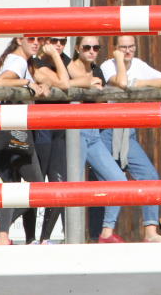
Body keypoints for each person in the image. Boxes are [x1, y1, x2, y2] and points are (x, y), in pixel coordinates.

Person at [99, 35, 161, 243]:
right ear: (114, 49)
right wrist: (119, 61)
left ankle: (151, 232)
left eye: (131, 46)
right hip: (107, 130)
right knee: (112, 181)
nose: (127, 50)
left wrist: (141, 82)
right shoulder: (107, 65)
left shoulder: (138, 65)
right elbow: (121, 83)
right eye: (122, 47)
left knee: (149, 175)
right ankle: (105, 233)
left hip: (127, 131)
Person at [0, 37, 58, 245]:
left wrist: (42, 84)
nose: (36, 43)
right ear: (19, 39)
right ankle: (2, 229)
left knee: (11, 184)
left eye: (39, 39)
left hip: (7, 129)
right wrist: (28, 82)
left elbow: (53, 80)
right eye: (31, 38)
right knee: (37, 186)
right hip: (16, 132)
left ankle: (2, 237)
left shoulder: (19, 60)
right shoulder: (18, 62)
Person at [31, 36, 100, 244]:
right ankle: (21, 233)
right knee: (36, 185)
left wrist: (60, 68)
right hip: (42, 128)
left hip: (60, 128)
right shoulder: (36, 62)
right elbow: (64, 82)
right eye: (54, 40)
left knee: (59, 185)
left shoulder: (64, 59)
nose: (59, 45)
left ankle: (44, 238)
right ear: (44, 41)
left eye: (63, 40)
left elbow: (88, 79)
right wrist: (61, 75)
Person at [67, 36, 130, 244]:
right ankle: (69, 238)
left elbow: (122, 83)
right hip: (75, 132)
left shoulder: (97, 70)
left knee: (119, 181)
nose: (92, 50)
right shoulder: (68, 67)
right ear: (77, 48)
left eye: (96, 47)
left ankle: (106, 233)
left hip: (94, 133)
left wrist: (119, 59)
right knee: (72, 186)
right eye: (86, 47)